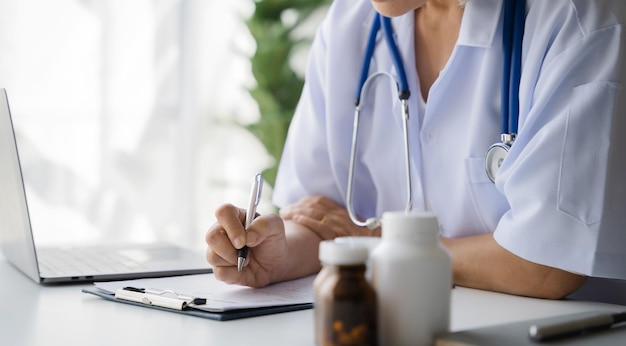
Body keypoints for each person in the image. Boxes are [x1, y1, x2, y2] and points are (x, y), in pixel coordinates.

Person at [206, 0, 626, 301]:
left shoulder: (577, 18)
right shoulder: (350, 21)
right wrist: (277, 253)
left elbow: (546, 267)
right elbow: (319, 217)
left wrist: (374, 239)